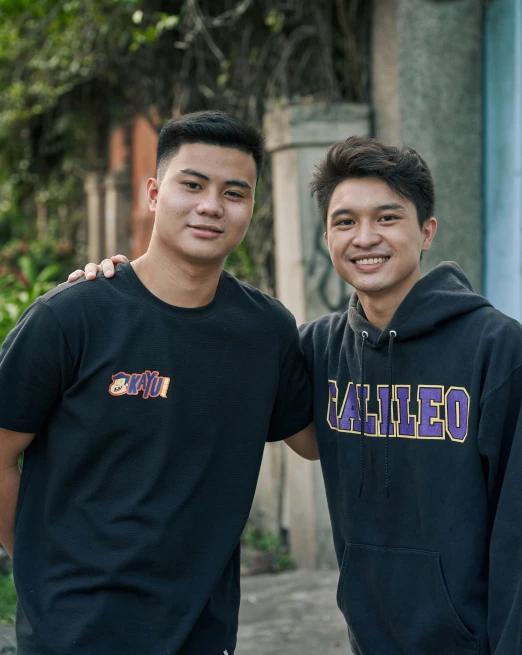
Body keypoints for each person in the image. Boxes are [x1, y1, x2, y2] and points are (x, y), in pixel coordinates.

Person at [88, 136, 522, 655]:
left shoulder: (495, 348)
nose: (365, 238)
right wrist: (117, 291)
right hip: (369, 634)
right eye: (345, 222)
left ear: (426, 232)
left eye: (387, 218)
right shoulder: (317, 349)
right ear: (326, 236)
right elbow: (204, 364)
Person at [0, 111, 315, 655]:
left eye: (233, 193)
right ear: (153, 192)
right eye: (191, 185)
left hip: (202, 631)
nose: (211, 205)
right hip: (73, 633)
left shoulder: (266, 332)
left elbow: (316, 441)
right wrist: (37, 566)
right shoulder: (71, 318)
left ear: (251, 210)